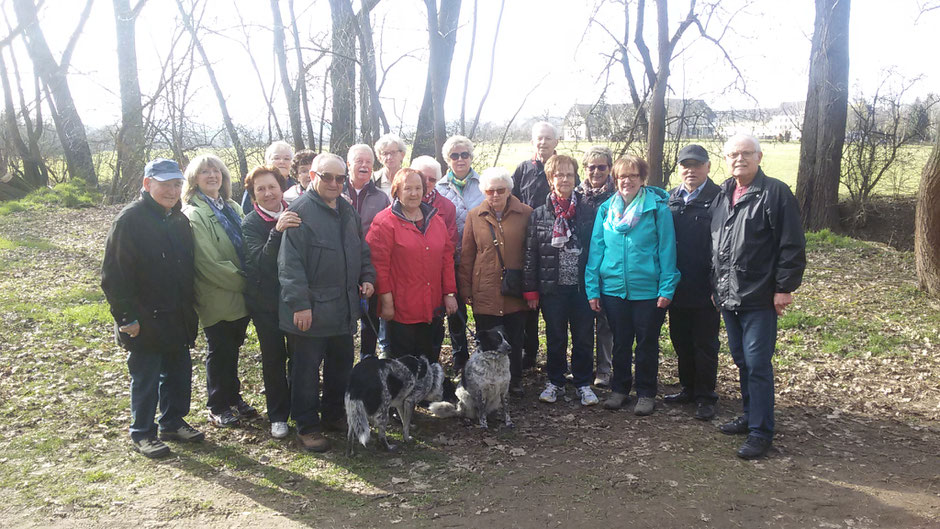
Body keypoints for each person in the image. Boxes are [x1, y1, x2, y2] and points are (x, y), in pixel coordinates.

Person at [711, 134, 806, 460]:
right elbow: (718, 247)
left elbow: (791, 244)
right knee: (741, 360)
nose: (740, 159)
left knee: (757, 363)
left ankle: (761, 432)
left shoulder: (775, 193)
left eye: (746, 153)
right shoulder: (723, 194)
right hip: (728, 296)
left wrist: (784, 288)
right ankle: (750, 416)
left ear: (759, 156)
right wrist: (716, 286)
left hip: (760, 296)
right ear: (726, 158)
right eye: (733, 154)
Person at [101, 158, 203, 458]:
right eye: (165, 184)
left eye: (176, 184)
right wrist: (126, 318)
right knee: (146, 377)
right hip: (144, 318)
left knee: (178, 373)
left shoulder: (179, 219)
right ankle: (142, 433)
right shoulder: (129, 220)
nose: (172, 190)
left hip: (177, 314)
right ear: (147, 184)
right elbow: (113, 276)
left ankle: (171, 421)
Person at [278, 153, 375, 453]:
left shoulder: (347, 211)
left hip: (344, 308)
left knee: (340, 368)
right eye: (327, 177)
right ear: (312, 176)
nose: (334, 183)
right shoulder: (300, 212)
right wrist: (300, 305)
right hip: (311, 310)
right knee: (306, 371)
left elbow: (361, 250)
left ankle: (334, 415)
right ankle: (307, 426)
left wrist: (367, 276)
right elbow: (289, 265)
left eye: (340, 178)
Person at [584, 156, 680, 416]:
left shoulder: (657, 209)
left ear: (642, 179)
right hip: (614, 289)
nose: (627, 181)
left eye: (633, 176)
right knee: (621, 343)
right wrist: (592, 288)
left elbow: (667, 249)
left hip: (648, 290)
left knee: (647, 343)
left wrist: (667, 287)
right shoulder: (606, 210)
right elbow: (596, 250)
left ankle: (646, 393)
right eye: (622, 176)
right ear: (615, 180)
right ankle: (620, 389)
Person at [182, 154, 257, 428]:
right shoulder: (194, 213)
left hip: (239, 293)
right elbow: (207, 262)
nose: (212, 176)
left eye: (216, 171)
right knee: (220, 348)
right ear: (194, 179)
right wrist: (246, 281)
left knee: (233, 348)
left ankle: (233, 397)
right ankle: (217, 404)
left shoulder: (233, 206)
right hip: (217, 292)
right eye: (205, 172)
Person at [522, 154, 598, 407]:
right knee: (555, 336)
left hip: (582, 288)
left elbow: (596, 250)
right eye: (559, 175)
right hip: (552, 287)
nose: (564, 179)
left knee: (584, 337)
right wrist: (531, 290)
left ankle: (583, 383)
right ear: (550, 178)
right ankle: (555, 381)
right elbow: (531, 253)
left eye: (569, 174)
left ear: (576, 177)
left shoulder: (588, 211)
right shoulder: (539, 214)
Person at [367, 168, 458, 363]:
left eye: (418, 188)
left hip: (432, 305)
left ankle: (426, 393)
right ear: (396, 191)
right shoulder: (384, 222)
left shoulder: (436, 221)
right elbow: (379, 266)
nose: (414, 193)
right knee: (404, 364)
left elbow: (446, 258)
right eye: (408, 188)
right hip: (401, 308)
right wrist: (387, 303)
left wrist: (449, 294)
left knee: (428, 360)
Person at [459, 167, 533, 396]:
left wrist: (532, 288)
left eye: (500, 190)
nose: (495, 195)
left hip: (515, 288)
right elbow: (467, 255)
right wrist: (465, 289)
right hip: (485, 289)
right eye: (490, 191)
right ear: (484, 192)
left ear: (509, 190)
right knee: (487, 341)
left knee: (516, 337)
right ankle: (487, 382)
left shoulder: (526, 213)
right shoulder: (474, 216)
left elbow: (532, 252)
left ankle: (514, 381)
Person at [242, 166, 302, 439]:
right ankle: (278, 415)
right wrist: (277, 231)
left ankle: (303, 411)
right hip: (266, 303)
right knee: (274, 358)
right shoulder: (251, 223)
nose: (268, 193)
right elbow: (262, 263)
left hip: (296, 299)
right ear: (253, 195)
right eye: (260, 189)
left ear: (282, 187)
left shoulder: (297, 212)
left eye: (272, 187)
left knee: (302, 357)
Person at [664, 144, 722, 421]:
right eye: (686, 165)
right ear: (679, 168)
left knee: (705, 344)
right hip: (677, 285)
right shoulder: (671, 198)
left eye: (697, 165)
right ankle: (687, 388)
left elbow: (724, 246)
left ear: (708, 167)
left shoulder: (719, 198)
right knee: (681, 341)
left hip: (705, 286)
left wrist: (717, 285)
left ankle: (706, 396)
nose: (691, 170)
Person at [511, 121, 561, 370]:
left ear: (556, 143)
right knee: (528, 306)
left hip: (557, 245)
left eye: (548, 139)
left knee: (553, 307)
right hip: (529, 243)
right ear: (533, 142)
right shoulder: (523, 169)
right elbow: (513, 200)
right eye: (539, 139)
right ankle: (529, 355)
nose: (543, 143)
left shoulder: (561, 167)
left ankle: (557, 360)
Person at [436, 135, 484, 372]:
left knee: (482, 307)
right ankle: (460, 357)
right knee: (455, 311)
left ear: (471, 157)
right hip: (451, 259)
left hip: (481, 259)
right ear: (447, 159)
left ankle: (485, 352)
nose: (460, 159)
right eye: (455, 155)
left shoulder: (484, 184)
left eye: (465, 154)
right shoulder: (438, 188)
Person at [342, 144, 391, 358]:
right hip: (340, 266)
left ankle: (367, 363)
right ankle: (341, 366)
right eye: (359, 161)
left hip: (369, 266)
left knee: (370, 321)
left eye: (369, 162)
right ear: (348, 164)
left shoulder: (381, 198)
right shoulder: (335, 191)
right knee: (343, 321)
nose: (364, 166)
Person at [579, 146, 616, 388]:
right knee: (582, 322)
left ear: (610, 169)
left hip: (609, 265)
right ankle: (582, 366)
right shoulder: (577, 195)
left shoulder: (617, 195)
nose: (596, 172)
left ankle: (605, 369)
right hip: (581, 264)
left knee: (606, 323)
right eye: (591, 167)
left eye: (601, 167)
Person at [241, 141, 295, 213]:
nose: (282, 161)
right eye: (276, 158)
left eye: (286, 159)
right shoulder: (256, 185)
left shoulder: (296, 188)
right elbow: (245, 213)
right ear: (267, 161)